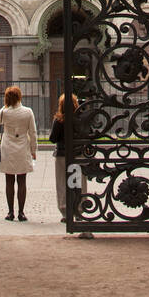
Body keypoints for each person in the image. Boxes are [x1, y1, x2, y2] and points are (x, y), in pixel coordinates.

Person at [0, 85, 37, 221]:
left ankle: (10, 212)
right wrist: (33, 150)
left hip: (8, 146)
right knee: (22, 180)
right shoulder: (28, 111)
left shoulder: (5, 112)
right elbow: (33, 133)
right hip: (23, 145)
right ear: (20, 97)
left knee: (9, 180)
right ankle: (21, 212)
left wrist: (5, 106)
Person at [49, 93, 85, 222]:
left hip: (62, 155)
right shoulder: (80, 119)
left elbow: (52, 139)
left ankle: (65, 211)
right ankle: (80, 209)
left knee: (62, 183)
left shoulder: (59, 120)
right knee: (79, 183)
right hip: (78, 154)